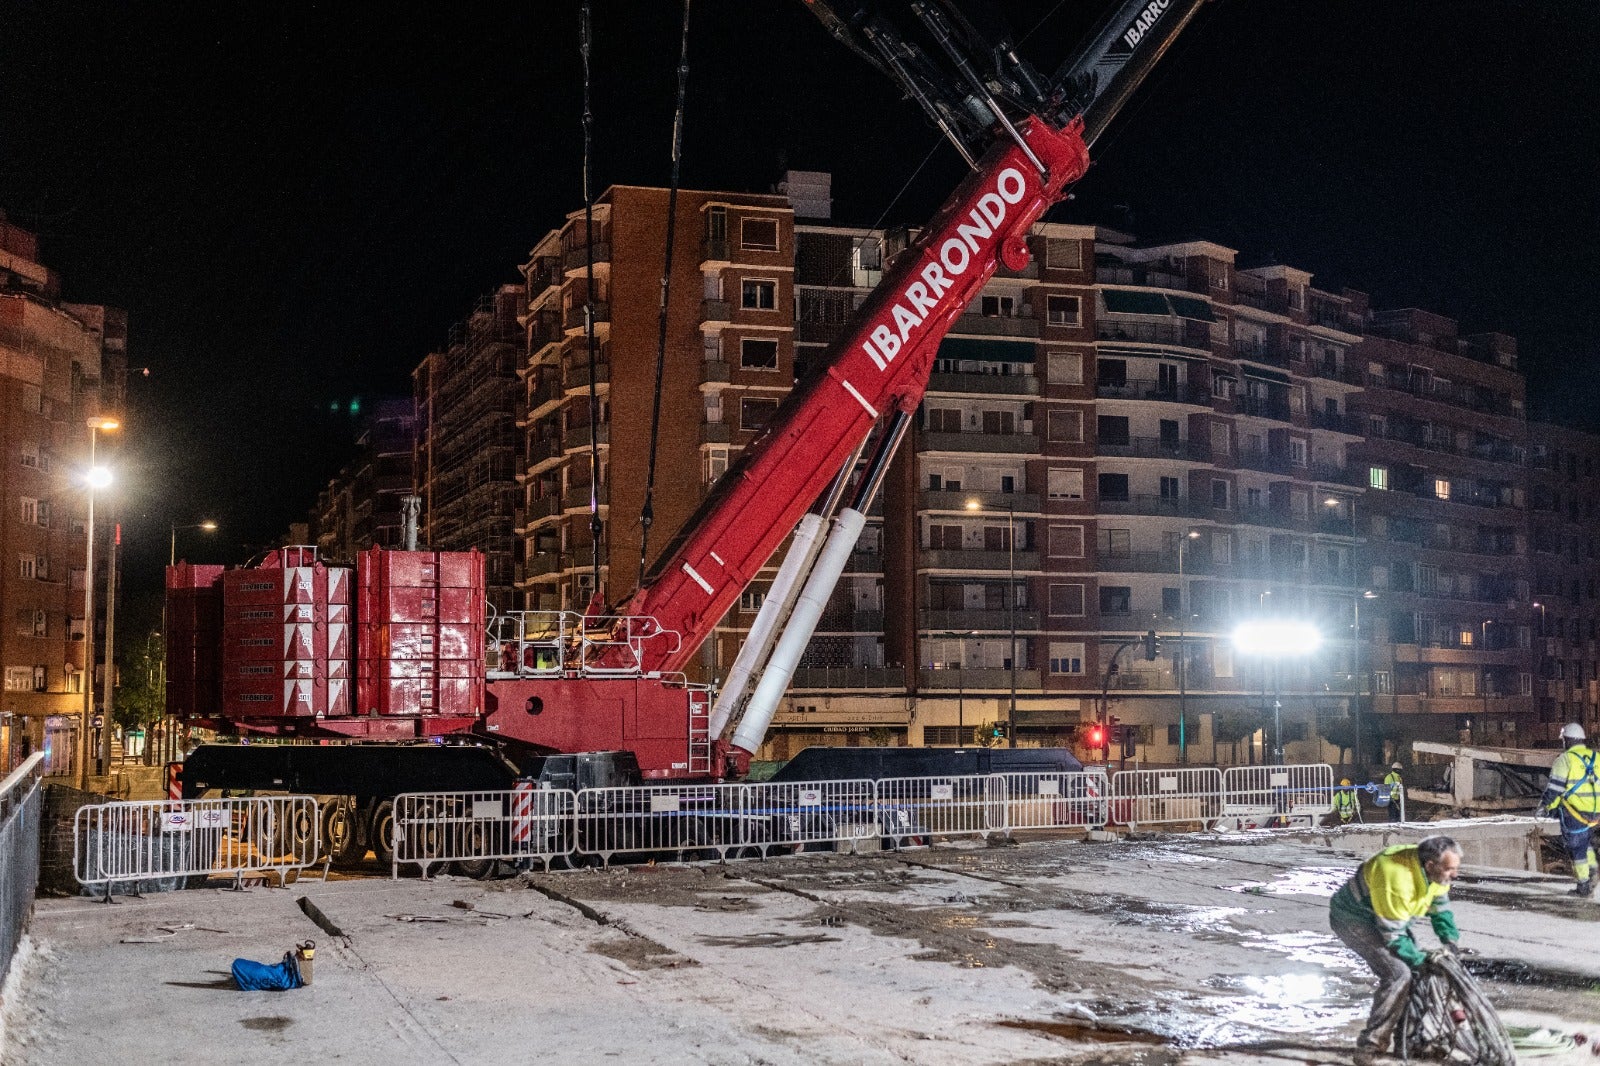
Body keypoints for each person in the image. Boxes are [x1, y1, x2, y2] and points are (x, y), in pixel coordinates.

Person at [1329, 836, 1463, 1065]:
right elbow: (1393, 937)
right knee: (1398, 974)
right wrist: (1420, 959)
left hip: (1390, 917)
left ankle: (1410, 1042)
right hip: (1355, 919)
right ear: (1430, 866)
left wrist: (1450, 942)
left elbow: (1440, 908)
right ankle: (1370, 1047)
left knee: (1420, 972)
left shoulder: (1434, 872)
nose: (1455, 875)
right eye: (1450, 869)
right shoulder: (1396, 876)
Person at [1539, 722, 1599, 897]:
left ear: (1568, 740)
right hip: (1596, 814)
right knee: (1584, 843)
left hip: (1576, 813)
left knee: (1576, 849)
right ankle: (1593, 869)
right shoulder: (1597, 758)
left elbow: (1555, 789)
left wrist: (1545, 807)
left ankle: (1583, 886)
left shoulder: (1564, 760)